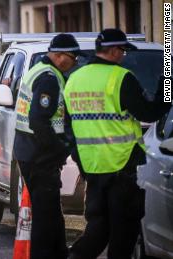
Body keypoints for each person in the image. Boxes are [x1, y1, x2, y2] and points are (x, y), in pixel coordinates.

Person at [64, 29, 171, 259]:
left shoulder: (75, 78)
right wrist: (167, 85)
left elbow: (67, 126)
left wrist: (79, 156)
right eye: (122, 50)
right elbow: (149, 112)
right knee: (124, 233)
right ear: (112, 51)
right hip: (120, 167)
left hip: (91, 167)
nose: (123, 55)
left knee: (98, 230)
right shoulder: (121, 78)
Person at [13, 33, 85, 259]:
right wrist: (58, 148)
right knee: (45, 215)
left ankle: (58, 252)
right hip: (39, 155)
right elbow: (38, 120)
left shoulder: (41, 70)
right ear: (60, 56)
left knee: (51, 211)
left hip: (30, 151)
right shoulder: (48, 78)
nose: (75, 63)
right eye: (73, 58)